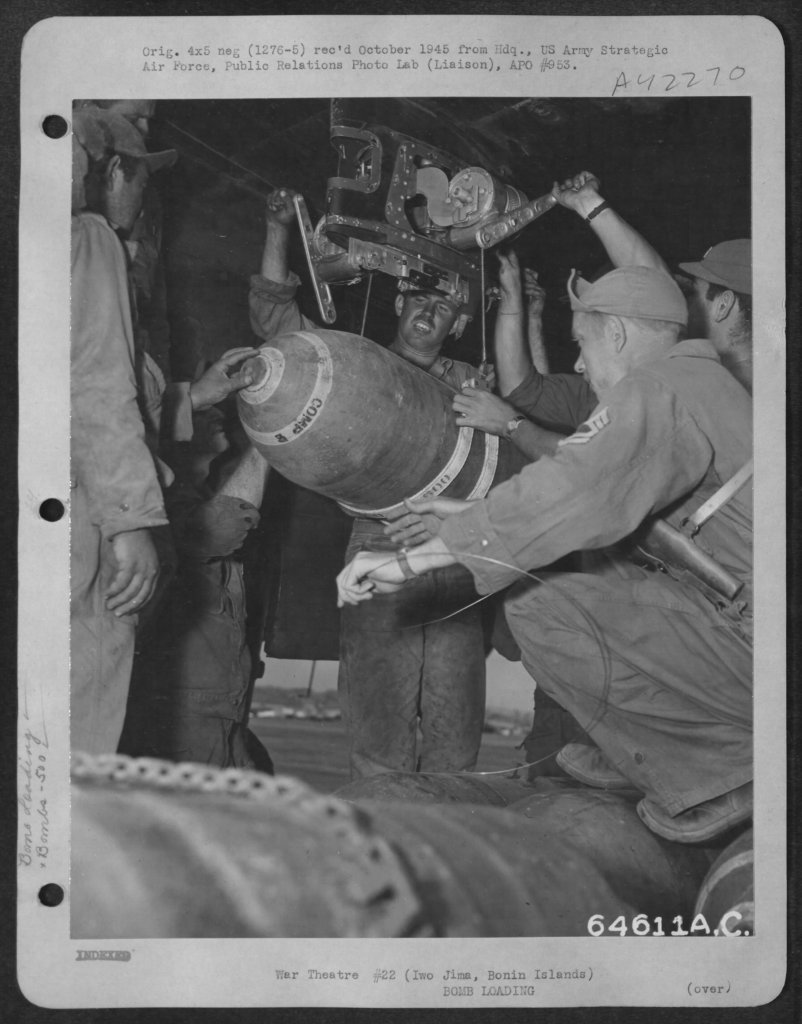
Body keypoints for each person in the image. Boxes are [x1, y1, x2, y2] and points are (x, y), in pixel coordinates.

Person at [338, 264, 753, 844]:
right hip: (750, 631)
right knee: (574, 583)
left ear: (617, 334)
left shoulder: (659, 389)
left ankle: (717, 770)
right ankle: (651, 753)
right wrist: (460, 513)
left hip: (754, 646)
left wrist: (411, 560)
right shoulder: (700, 383)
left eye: (582, 342)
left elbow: (577, 489)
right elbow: (621, 510)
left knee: (542, 604)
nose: (579, 364)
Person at [249, 187, 488, 778]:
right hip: (380, 539)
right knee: (380, 713)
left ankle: (449, 822)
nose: (428, 312)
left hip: (454, 547)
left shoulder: (474, 384)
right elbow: (277, 323)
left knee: (455, 718)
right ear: (400, 304)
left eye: (443, 307)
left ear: (458, 325)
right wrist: (279, 230)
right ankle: (383, 815)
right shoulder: (357, 365)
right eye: (419, 299)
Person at [70, 108, 177, 753]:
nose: (143, 196)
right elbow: (97, 387)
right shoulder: (90, 238)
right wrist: (130, 522)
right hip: (77, 506)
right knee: (82, 709)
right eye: (142, 178)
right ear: (114, 171)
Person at [119, 407, 274, 771]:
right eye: (198, 409)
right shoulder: (158, 501)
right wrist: (271, 442)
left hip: (218, 712)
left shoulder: (199, 493)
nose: (217, 413)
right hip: (182, 716)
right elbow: (223, 526)